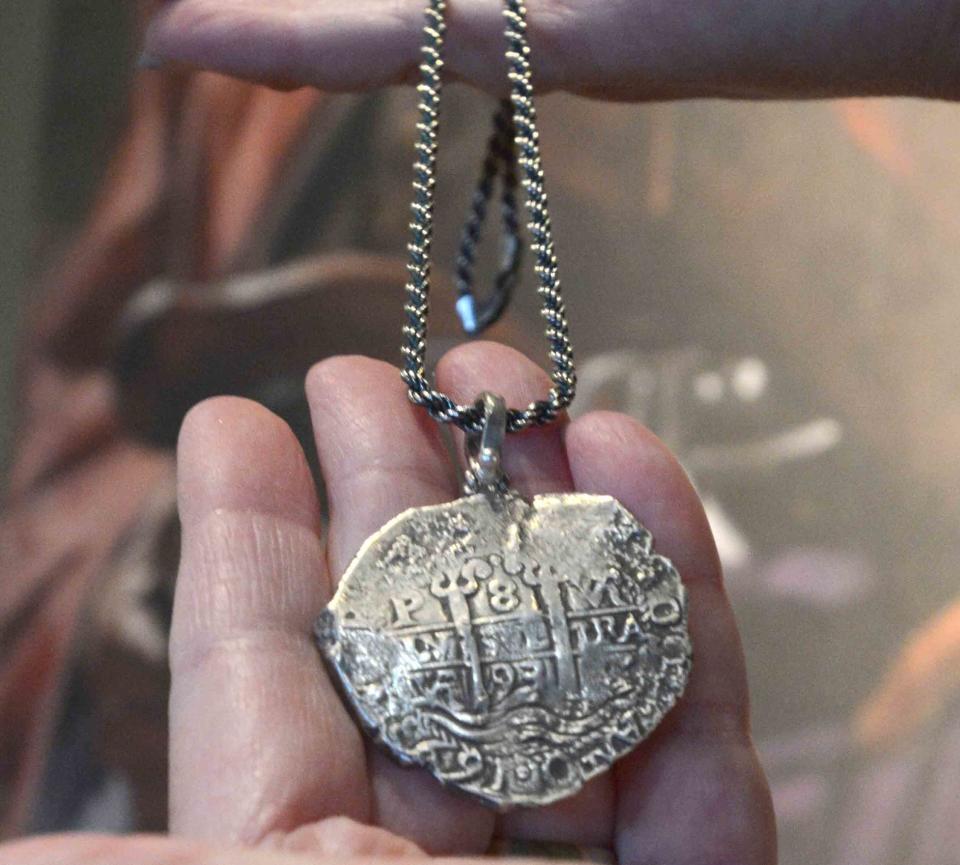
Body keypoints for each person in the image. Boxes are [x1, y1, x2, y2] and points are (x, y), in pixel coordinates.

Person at [2, 0, 954, 862]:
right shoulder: (258, 73)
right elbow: (91, 381)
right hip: (337, 546)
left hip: (805, 590)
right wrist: (109, 571)